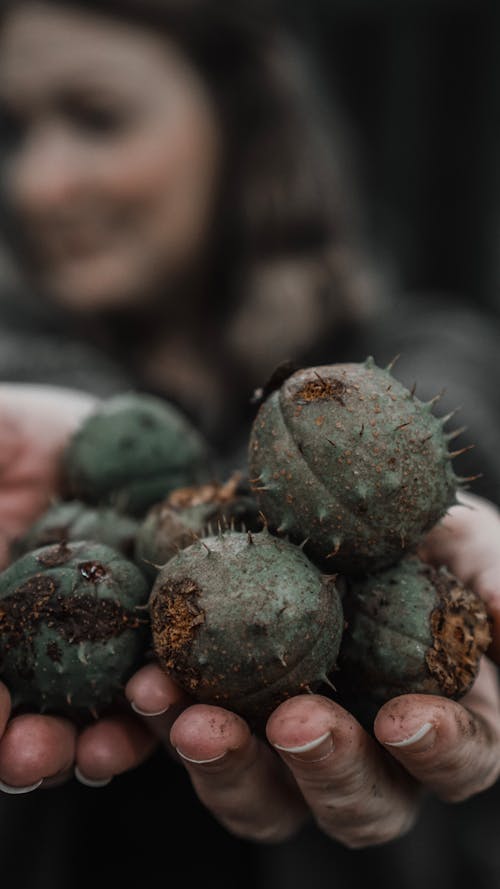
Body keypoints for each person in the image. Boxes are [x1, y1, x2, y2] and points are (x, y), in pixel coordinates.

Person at [0, 2, 500, 888]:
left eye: (97, 116)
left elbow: (450, 385)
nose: (38, 183)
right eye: (12, 131)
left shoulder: (417, 339)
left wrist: (452, 510)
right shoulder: (23, 381)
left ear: (240, 117)